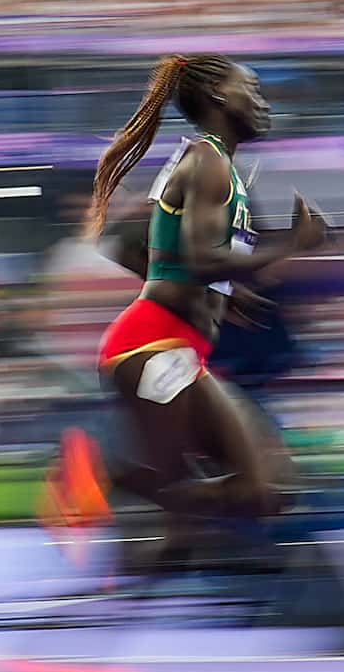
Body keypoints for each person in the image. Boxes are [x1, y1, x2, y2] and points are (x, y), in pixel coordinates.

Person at [70, 53, 327, 528]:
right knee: (249, 490)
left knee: (266, 489)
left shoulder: (208, 160)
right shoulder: (208, 161)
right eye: (252, 90)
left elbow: (131, 245)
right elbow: (199, 259)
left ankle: (137, 510)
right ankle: (101, 478)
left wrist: (222, 295)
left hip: (175, 348)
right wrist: (292, 243)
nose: (263, 104)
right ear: (217, 96)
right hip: (152, 347)